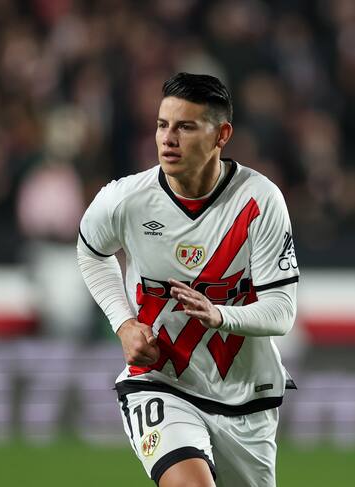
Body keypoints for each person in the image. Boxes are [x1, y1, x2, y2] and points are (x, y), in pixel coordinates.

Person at [77, 72, 299, 487]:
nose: (168, 139)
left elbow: (281, 312)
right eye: (163, 125)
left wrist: (220, 315)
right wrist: (124, 323)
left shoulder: (259, 201)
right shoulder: (126, 200)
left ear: (221, 135)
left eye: (185, 127)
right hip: (160, 382)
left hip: (245, 396)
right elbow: (91, 252)